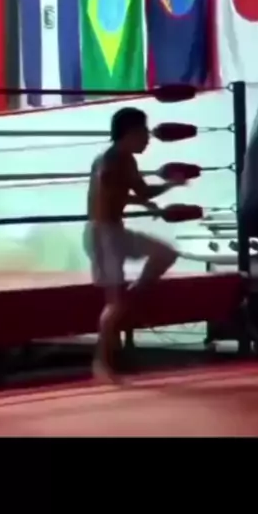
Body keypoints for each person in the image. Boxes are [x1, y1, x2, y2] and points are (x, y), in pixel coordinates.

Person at [84, 106, 186, 382]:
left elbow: (129, 191)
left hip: (114, 231)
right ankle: (101, 363)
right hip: (103, 235)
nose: (148, 138)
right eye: (144, 132)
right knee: (115, 304)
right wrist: (170, 185)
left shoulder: (122, 159)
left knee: (165, 254)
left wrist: (142, 200)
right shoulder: (111, 161)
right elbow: (110, 193)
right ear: (131, 133)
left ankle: (133, 294)